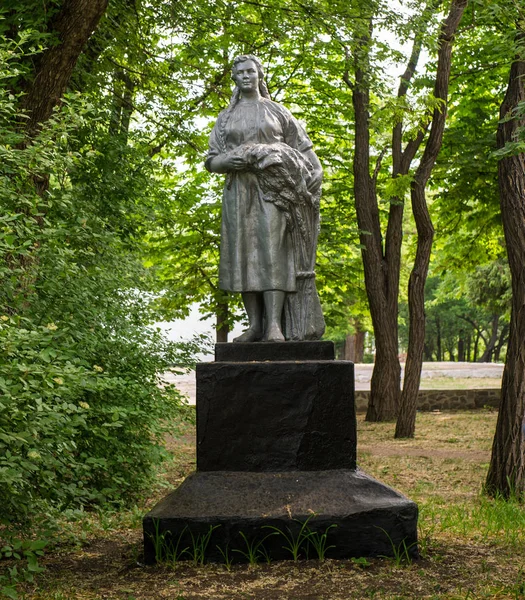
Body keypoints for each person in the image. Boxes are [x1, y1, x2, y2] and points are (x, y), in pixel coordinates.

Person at [205, 55, 325, 342]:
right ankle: (255, 325)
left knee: (274, 252)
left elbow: (304, 148)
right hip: (239, 191)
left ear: (259, 75)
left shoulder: (277, 111)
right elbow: (211, 160)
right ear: (234, 78)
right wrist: (226, 163)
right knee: (245, 255)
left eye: (251, 71)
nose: (246, 76)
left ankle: (275, 326)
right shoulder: (226, 118)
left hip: (275, 190)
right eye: (240, 73)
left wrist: (316, 171)